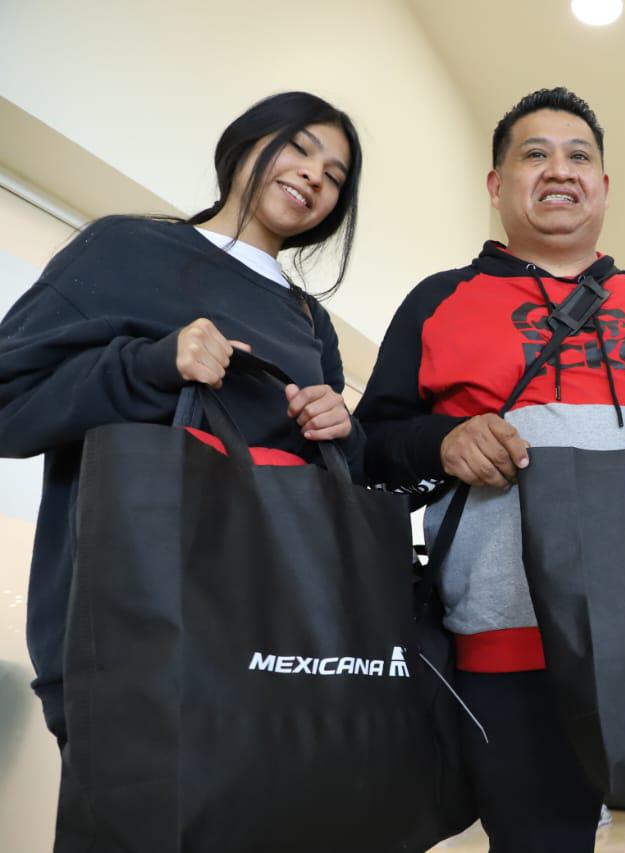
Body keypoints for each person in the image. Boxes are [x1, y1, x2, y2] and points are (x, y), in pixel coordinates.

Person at [355, 87, 625, 853]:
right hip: (508, 637)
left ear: (604, 185)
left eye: (579, 156)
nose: (559, 170)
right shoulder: (440, 302)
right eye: (533, 154)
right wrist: (442, 441)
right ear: (496, 183)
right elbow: (369, 446)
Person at [0, 90, 364, 753]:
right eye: (300, 148)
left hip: (270, 648)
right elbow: (8, 406)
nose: (316, 176)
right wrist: (152, 363)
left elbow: (335, 486)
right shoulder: (125, 248)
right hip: (128, 641)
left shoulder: (310, 321)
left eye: (336, 176)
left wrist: (344, 426)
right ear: (244, 143)